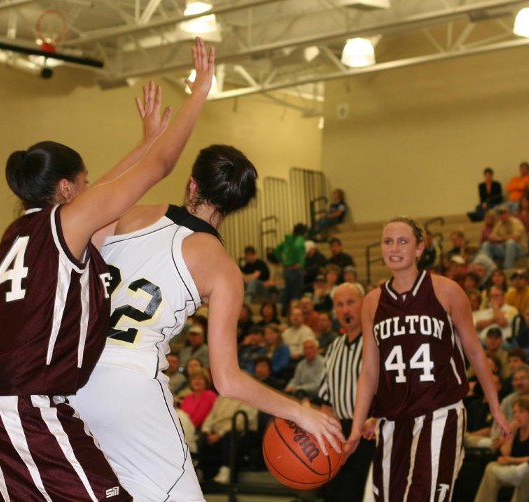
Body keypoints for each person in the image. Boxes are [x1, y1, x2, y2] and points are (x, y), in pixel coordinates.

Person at [0, 37, 216, 502]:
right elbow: (162, 166)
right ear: (68, 189)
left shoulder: (19, 232)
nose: (93, 191)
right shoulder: (65, 224)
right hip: (19, 405)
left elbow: (113, 186)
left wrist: (145, 140)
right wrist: (198, 94)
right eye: (85, 183)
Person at [72, 144, 343, 501]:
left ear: (192, 184)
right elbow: (227, 380)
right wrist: (299, 411)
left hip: (74, 377)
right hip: (130, 382)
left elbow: (75, 230)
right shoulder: (223, 270)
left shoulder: (131, 214)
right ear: (236, 206)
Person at [345, 216, 510, 501]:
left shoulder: (447, 290)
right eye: (388, 241)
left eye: (403, 241)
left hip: (439, 411)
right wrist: (356, 426)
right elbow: (369, 370)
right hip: (393, 420)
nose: (394, 248)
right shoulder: (372, 302)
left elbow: (474, 351)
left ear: (419, 248)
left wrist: (495, 405)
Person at [319, 283, 375, 502]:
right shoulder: (334, 347)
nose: (345, 310)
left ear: (364, 304)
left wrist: (378, 419)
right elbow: (326, 402)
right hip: (340, 433)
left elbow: (394, 390)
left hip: (369, 433)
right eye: (339, 305)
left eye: (351, 302)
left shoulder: (378, 342)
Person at [474, 397, 529, 502]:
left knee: (527, 473)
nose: (516, 415)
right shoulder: (516, 430)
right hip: (513, 467)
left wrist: (512, 460)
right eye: (515, 412)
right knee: (491, 467)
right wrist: (511, 433)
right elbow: (505, 454)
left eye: (521, 412)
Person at [274, 223, 308, 316]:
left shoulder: (288, 240)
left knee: (287, 291)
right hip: (295, 269)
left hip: (287, 269)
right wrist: (301, 263)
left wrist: (282, 261)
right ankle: (294, 314)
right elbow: (298, 246)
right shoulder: (300, 239)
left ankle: (284, 312)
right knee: (296, 293)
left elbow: (276, 250)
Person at [481, 204, 528, 269]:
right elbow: (491, 237)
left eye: (504, 213)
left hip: (519, 250)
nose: (502, 215)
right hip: (505, 249)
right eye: (500, 213)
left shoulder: (516, 222)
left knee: (510, 242)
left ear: (508, 213)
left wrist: (500, 238)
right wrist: (494, 238)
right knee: (486, 244)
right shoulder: (499, 224)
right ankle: (490, 268)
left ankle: (507, 267)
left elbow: (516, 237)